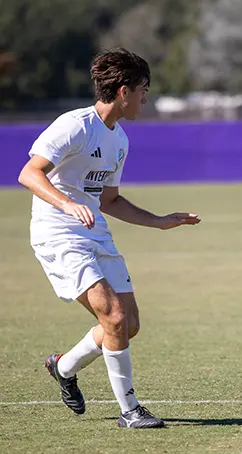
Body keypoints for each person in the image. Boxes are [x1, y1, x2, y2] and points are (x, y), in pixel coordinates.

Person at [18, 48, 201, 428]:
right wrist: (67, 204)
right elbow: (29, 174)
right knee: (113, 316)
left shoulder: (120, 141)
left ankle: (63, 367)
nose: (145, 99)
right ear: (123, 91)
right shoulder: (75, 125)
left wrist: (159, 221)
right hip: (58, 233)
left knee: (127, 325)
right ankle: (130, 411)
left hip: (94, 232)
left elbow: (110, 201)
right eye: (143, 90)